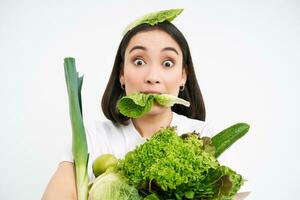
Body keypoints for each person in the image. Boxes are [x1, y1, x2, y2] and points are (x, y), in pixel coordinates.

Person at [42, 9, 250, 200]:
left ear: (183, 76)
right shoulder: (92, 138)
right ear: (122, 74)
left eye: (167, 63)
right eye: (139, 61)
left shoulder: (209, 135)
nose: (152, 77)